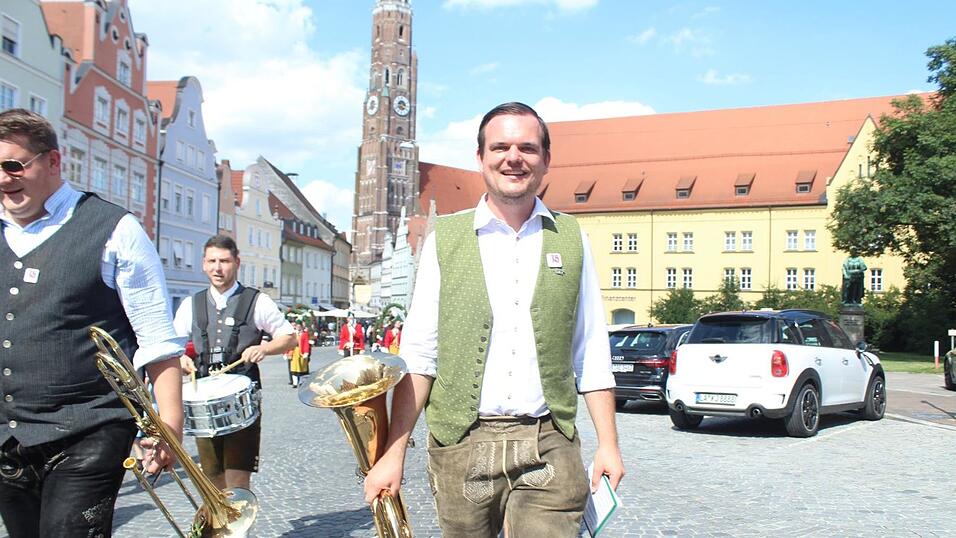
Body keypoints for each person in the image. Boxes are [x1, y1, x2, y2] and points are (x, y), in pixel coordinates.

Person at [363, 102, 625, 537]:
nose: (513, 157)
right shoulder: (443, 239)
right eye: (500, 146)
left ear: (545, 160)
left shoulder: (572, 238)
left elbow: (592, 350)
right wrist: (394, 452)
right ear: (481, 157)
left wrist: (609, 446)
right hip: (463, 443)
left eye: (527, 147)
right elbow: (420, 357)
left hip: (548, 441)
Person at [0, 109, 184, 537]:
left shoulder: (114, 228)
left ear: (53, 162)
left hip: (90, 428)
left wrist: (169, 426)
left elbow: (156, 336)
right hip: (9, 434)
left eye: (14, 165)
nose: (4, 179)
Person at [174, 235, 295, 492]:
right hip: (203, 401)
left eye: (224, 261)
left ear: (237, 262)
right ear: (204, 264)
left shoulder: (257, 301)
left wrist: (264, 347)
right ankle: (219, 531)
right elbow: (172, 346)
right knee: (213, 480)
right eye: (212, 261)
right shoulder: (190, 304)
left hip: (243, 402)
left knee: (238, 481)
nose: (218, 268)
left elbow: (289, 338)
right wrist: (180, 357)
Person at [289, 322, 311, 387]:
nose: (298, 328)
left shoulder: (304, 334)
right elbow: (288, 343)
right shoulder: (293, 334)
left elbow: (306, 343)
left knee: (302, 367)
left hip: (301, 352)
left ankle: (302, 381)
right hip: (294, 352)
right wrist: (286, 352)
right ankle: (295, 383)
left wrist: (306, 352)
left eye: (299, 326)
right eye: (297, 326)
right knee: (294, 368)